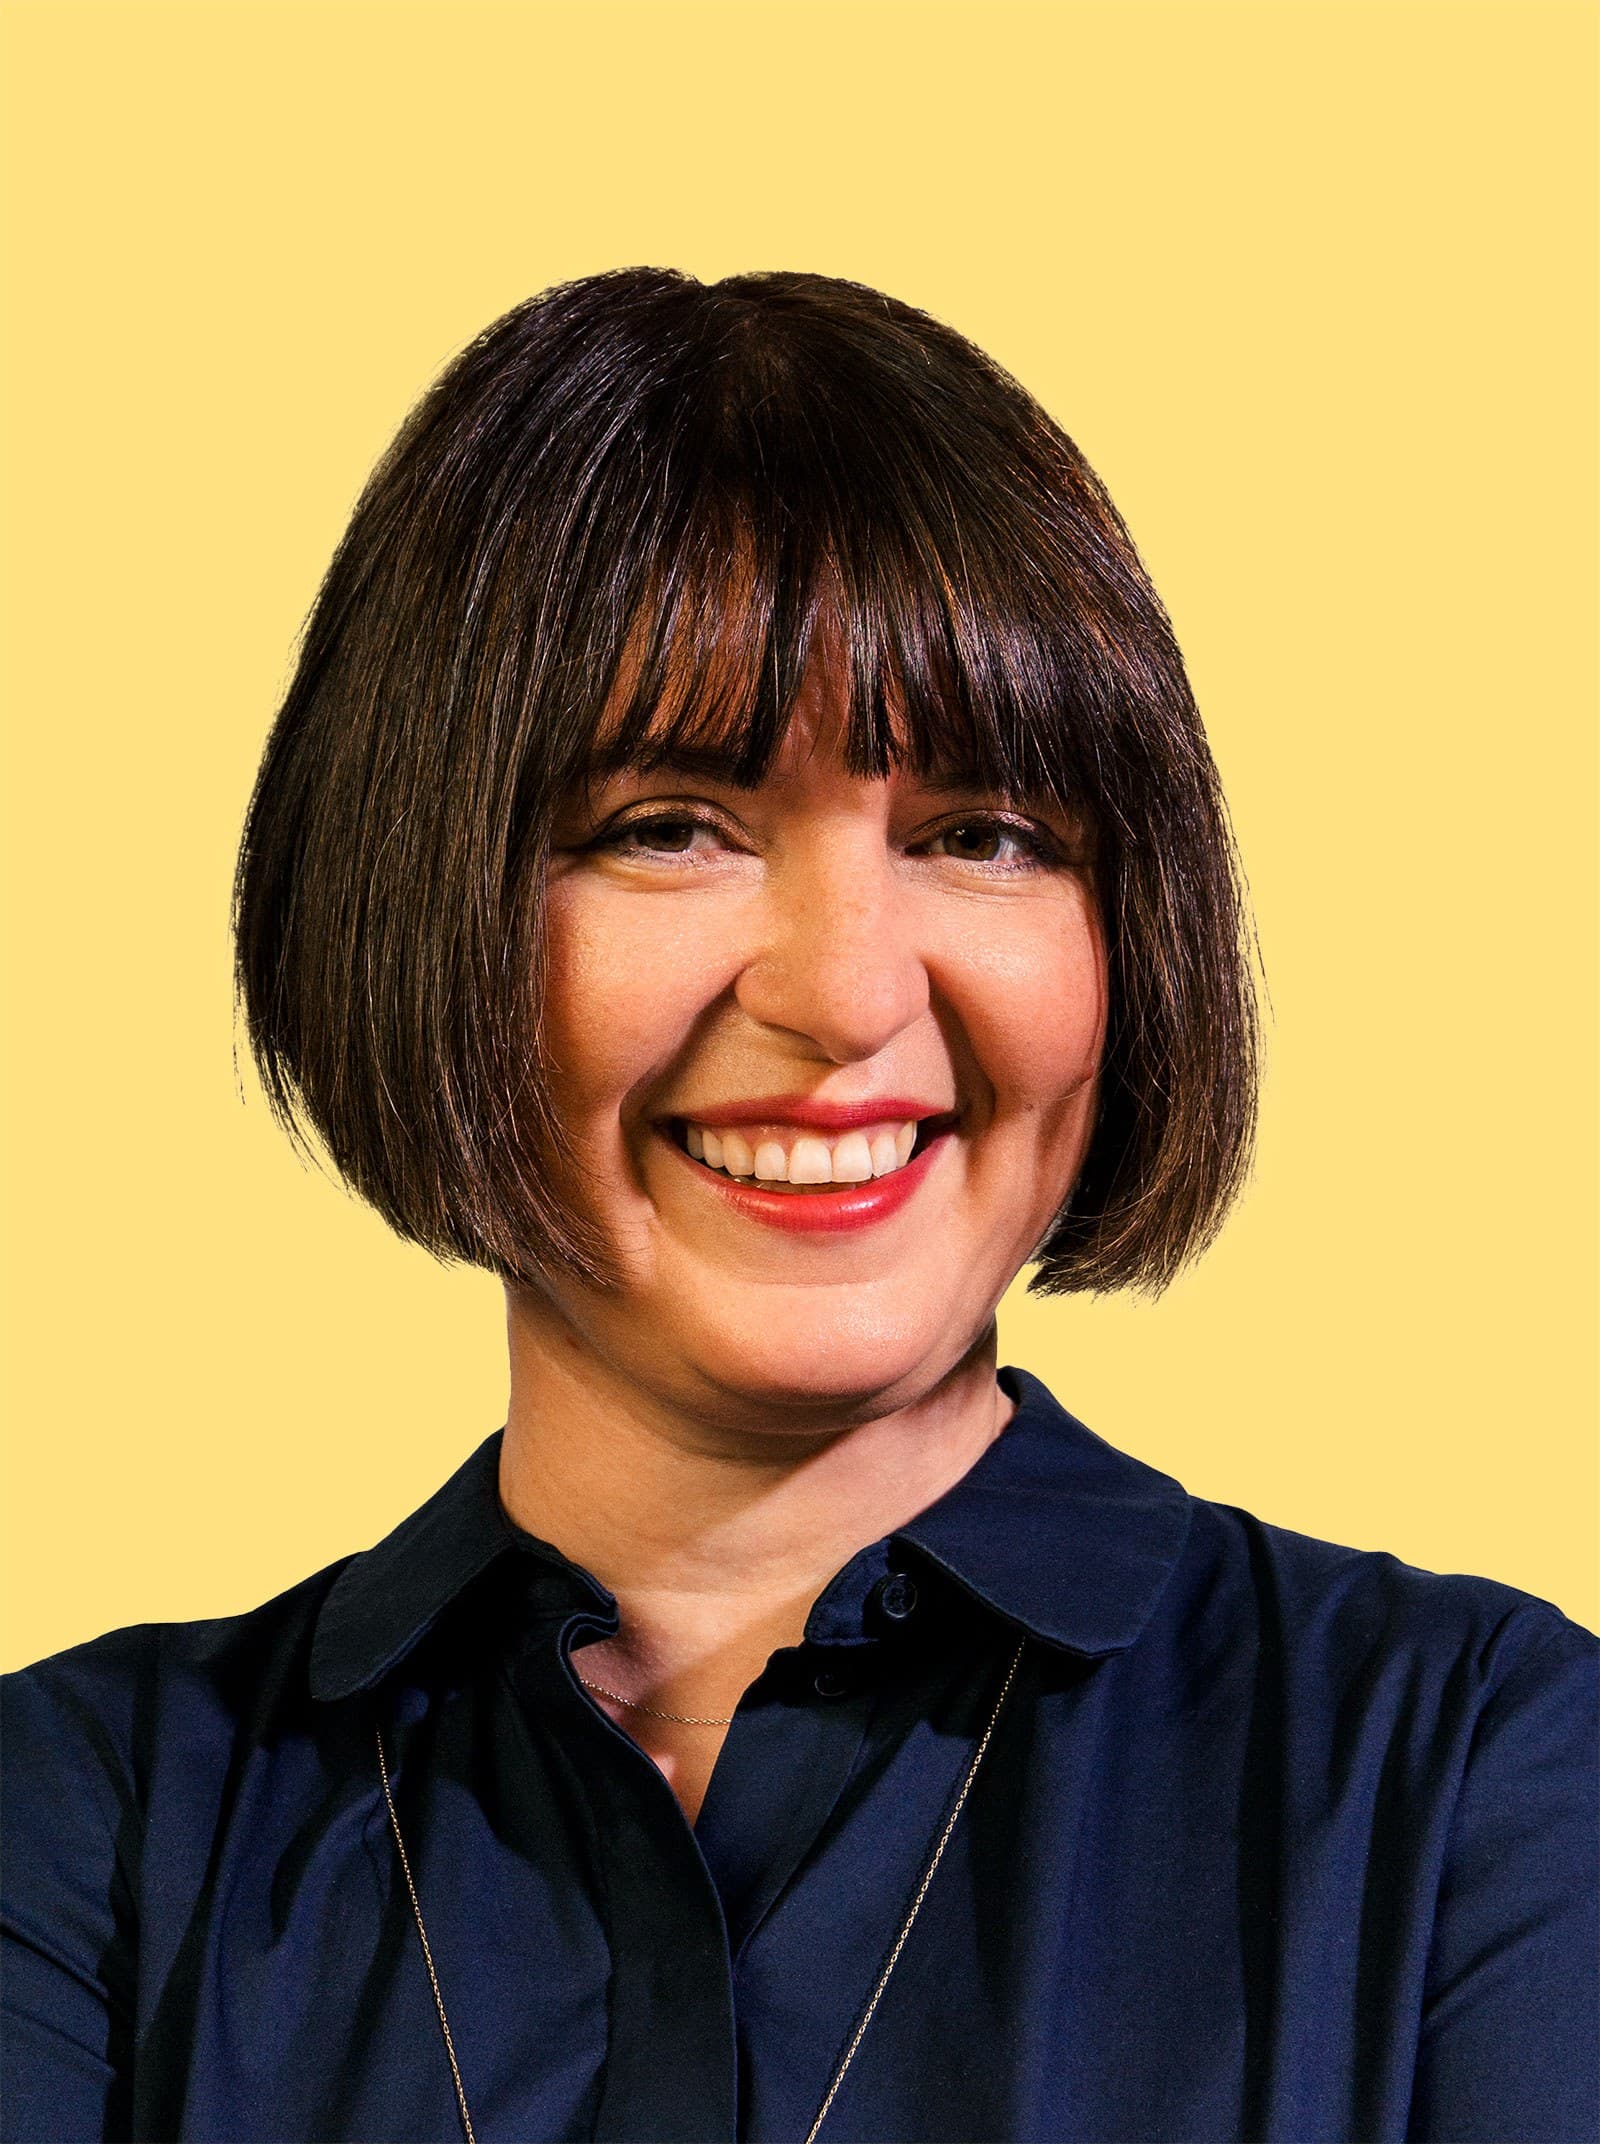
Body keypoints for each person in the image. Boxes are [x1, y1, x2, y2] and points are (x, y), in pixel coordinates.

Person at [2, 267, 1594, 2144]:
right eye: (670, 824)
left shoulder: (1476, 1775)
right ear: (408, 899)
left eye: (981, 836)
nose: (845, 994)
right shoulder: (82, 1829)